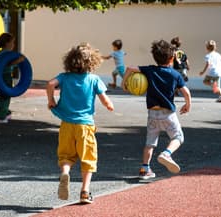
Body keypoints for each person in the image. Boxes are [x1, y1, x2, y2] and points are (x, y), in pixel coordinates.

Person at [46, 42, 114, 204]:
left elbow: (50, 84)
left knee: (66, 155)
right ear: (92, 62)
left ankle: (65, 173)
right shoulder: (93, 79)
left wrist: (51, 100)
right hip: (85, 125)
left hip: (66, 124)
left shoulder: (64, 77)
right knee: (88, 158)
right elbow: (104, 99)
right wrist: (109, 105)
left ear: (69, 61)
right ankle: (85, 192)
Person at [121, 39, 191, 180]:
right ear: (172, 59)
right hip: (168, 114)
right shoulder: (175, 74)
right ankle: (166, 153)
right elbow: (186, 92)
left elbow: (129, 68)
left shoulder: (150, 70)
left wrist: (124, 84)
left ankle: (144, 169)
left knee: (150, 143)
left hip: (152, 114)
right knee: (178, 137)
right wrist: (187, 104)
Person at [0, 33, 26, 123]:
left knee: (4, 97)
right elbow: (8, 64)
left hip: (0, 78)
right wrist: (19, 60)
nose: (13, 44)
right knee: (5, 96)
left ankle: (6, 113)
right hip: (5, 77)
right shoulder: (6, 54)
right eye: (12, 42)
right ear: (7, 43)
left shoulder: (1, 53)